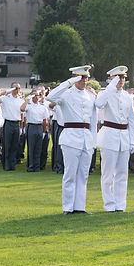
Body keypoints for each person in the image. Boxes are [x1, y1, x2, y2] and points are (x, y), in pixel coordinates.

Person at [46, 65, 97, 214]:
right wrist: (68, 82)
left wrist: (93, 142)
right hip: (70, 137)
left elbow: (93, 121)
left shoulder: (90, 96)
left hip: (86, 137)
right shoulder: (66, 94)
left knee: (83, 175)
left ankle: (80, 206)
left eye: (86, 78)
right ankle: (68, 207)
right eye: (81, 78)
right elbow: (51, 97)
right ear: (75, 78)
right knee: (70, 174)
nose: (84, 81)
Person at [95, 66, 134, 212]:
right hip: (109, 135)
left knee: (122, 174)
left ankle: (120, 204)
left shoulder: (127, 96)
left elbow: (131, 120)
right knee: (108, 174)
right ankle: (109, 204)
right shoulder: (105, 93)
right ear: (111, 79)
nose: (121, 81)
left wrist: (132, 141)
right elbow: (98, 104)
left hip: (123, 137)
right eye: (118, 78)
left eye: (123, 78)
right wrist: (110, 87)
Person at [23, 88, 50, 172]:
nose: (36, 97)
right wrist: (27, 100)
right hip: (31, 126)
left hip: (39, 127)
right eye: (34, 95)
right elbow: (22, 109)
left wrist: (44, 131)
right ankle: (30, 166)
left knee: (38, 148)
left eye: (38, 95)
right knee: (31, 148)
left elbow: (45, 120)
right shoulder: (29, 106)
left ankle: (37, 167)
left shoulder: (42, 107)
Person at [0, 84, 23, 171]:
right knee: (7, 145)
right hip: (8, 123)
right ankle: (6, 164)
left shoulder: (20, 100)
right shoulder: (5, 98)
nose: (17, 90)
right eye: (16, 88)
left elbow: (22, 112)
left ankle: (12, 164)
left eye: (19, 88)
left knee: (14, 145)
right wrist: (6, 91)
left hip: (16, 123)